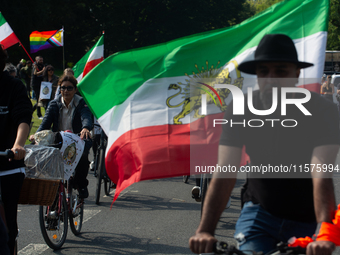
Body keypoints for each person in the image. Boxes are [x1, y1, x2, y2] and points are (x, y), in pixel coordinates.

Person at [189, 34, 340, 255]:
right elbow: (225, 171)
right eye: (263, 71)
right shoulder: (241, 108)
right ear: (257, 75)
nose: (271, 78)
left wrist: (324, 232)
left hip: (307, 220)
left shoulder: (322, 110)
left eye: (281, 71)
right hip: (259, 214)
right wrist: (204, 230)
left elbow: (321, 173)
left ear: (296, 73)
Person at [30, 75, 92, 198]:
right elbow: (45, 123)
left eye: (69, 88)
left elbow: (86, 117)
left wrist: (85, 128)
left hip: (77, 139)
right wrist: (36, 135)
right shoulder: (54, 104)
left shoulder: (81, 103)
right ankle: (52, 193)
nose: (66, 91)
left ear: (75, 89)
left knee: (83, 158)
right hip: (58, 140)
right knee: (47, 159)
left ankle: (81, 184)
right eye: (63, 88)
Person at [0, 45, 32, 254]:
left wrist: (18, 144)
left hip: (7, 163)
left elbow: (23, 118)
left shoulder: (13, 86)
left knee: (8, 225)